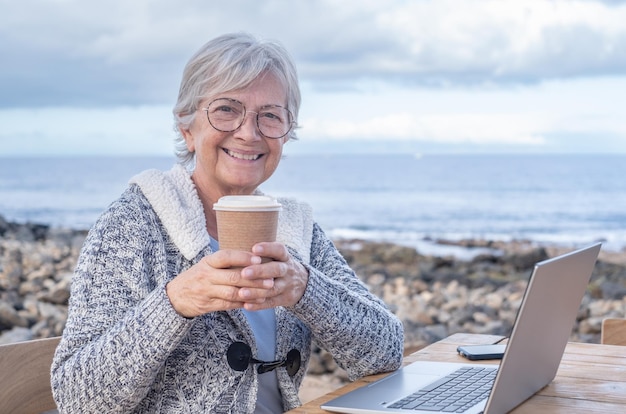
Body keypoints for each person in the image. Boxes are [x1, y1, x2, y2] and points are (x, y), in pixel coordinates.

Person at [51, 32, 404, 413]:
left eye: (269, 115)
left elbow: (385, 354)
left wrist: (306, 288)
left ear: (286, 134)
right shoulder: (134, 224)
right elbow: (76, 400)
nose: (248, 132)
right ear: (188, 129)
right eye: (226, 109)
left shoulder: (294, 229)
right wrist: (176, 302)